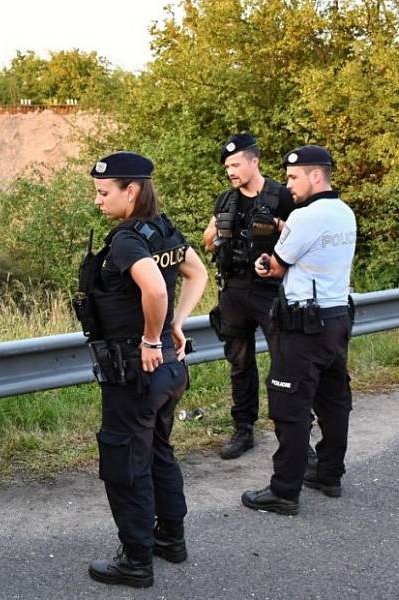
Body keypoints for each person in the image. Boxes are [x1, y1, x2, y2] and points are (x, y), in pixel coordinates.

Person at [73, 151, 208, 588]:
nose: (98, 200)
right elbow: (197, 273)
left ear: (131, 190)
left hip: (136, 370)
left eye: (103, 192)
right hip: (168, 371)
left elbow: (152, 285)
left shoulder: (129, 239)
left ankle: (135, 561)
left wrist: (153, 336)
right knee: (158, 453)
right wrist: (175, 324)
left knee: (124, 463)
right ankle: (171, 539)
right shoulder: (162, 229)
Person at [242, 145, 356, 516]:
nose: (289, 185)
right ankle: (329, 474)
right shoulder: (345, 213)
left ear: (315, 176)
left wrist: (263, 261)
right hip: (338, 318)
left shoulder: (305, 217)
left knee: (290, 405)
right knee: (334, 400)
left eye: (293, 177)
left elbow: (276, 266)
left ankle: (284, 491)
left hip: (303, 325)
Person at [202, 133, 295, 459]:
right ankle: (244, 429)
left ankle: (295, 434)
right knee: (240, 365)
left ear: (254, 161)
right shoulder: (226, 200)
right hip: (233, 291)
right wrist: (216, 233)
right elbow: (208, 242)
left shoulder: (281, 196)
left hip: (269, 292)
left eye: (236, 164)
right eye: (227, 166)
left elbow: (300, 239)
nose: (230, 171)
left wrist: (275, 226)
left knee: (284, 363)